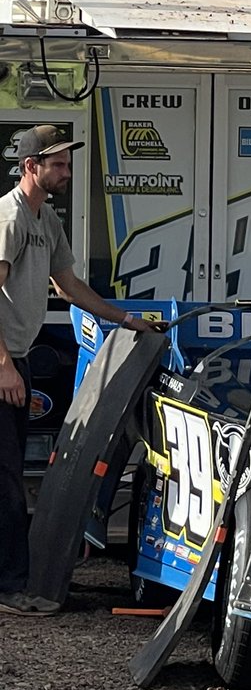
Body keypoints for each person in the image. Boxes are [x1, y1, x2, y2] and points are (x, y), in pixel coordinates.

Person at [0, 125, 159, 616]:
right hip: (4, 363)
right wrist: (4, 366)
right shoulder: (8, 218)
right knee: (6, 481)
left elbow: (68, 285)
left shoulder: (44, 219)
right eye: (59, 165)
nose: (67, 173)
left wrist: (128, 320)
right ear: (32, 167)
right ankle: (10, 590)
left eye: (68, 164)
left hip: (17, 359)